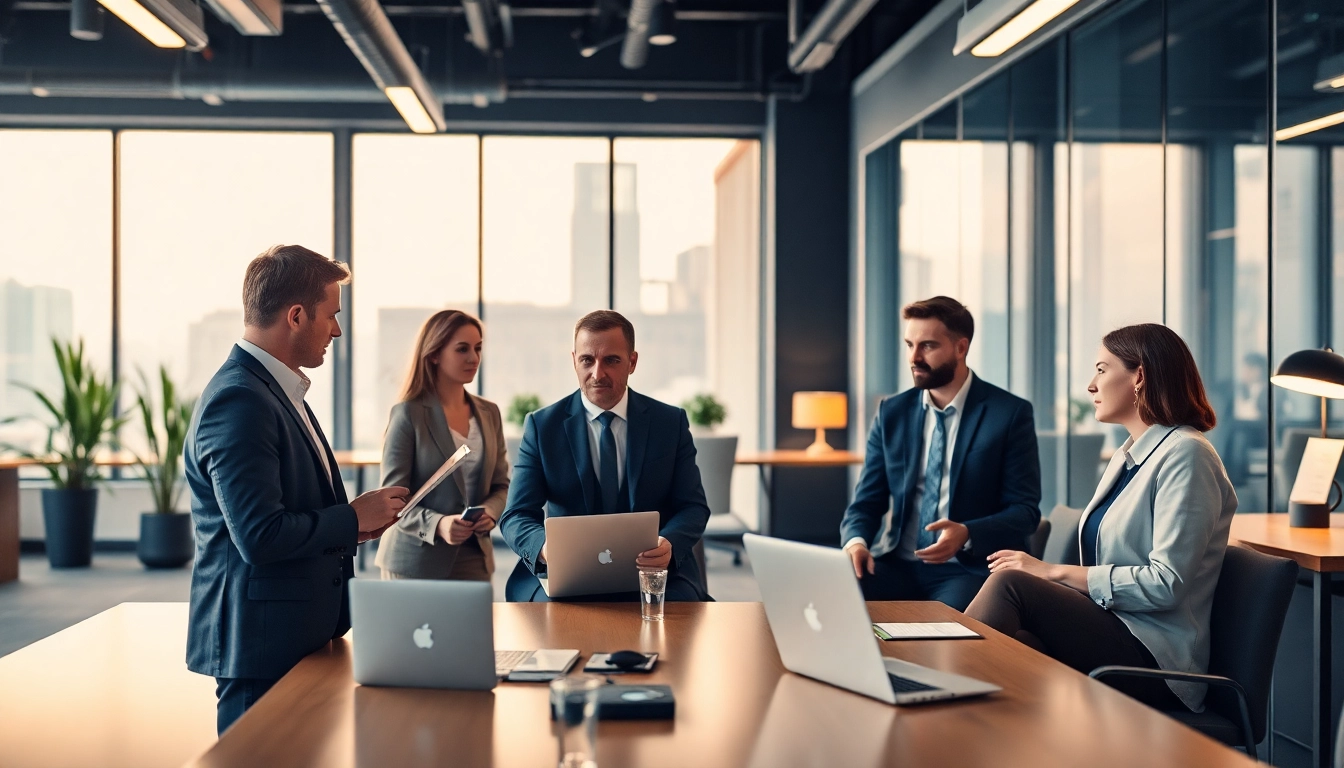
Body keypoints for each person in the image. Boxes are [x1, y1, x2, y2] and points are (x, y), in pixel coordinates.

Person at [185, 245, 407, 735]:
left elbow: (286, 511)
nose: (338, 330)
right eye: (332, 315)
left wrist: (354, 527)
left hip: (295, 636)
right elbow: (260, 536)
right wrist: (351, 517)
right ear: (297, 315)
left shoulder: (273, 390)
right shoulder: (240, 400)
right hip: (261, 648)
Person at [965, 323, 1236, 713]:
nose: (1091, 385)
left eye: (1102, 369)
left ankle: (929, 695)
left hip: (1156, 661)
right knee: (1015, 652)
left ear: (1139, 376)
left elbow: (1167, 583)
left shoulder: (1187, 455)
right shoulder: (1129, 455)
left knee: (1012, 583)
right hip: (1115, 629)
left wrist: (1052, 572)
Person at [839, 296, 1041, 611]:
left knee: (946, 636)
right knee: (829, 601)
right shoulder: (892, 412)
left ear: (961, 348)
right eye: (909, 345)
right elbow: (866, 502)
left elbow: (1025, 511)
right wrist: (856, 542)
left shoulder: (1009, 414)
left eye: (928, 346)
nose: (914, 357)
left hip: (965, 569)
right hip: (895, 564)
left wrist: (967, 532)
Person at [499, 310, 711, 602]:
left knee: (681, 617)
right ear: (574, 360)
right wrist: (546, 549)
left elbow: (693, 507)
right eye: (587, 360)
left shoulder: (669, 423)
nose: (598, 374)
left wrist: (670, 544)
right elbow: (516, 515)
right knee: (544, 617)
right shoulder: (542, 426)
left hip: (655, 572)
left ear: (632, 362)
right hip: (563, 574)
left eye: (611, 360)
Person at [374, 309, 509, 581]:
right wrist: (438, 524)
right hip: (415, 560)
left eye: (478, 348)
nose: (474, 358)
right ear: (434, 354)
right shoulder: (408, 414)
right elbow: (392, 502)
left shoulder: (489, 412)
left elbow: (501, 484)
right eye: (462, 349)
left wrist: (491, 513)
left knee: (472, 625)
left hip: (474, 556)